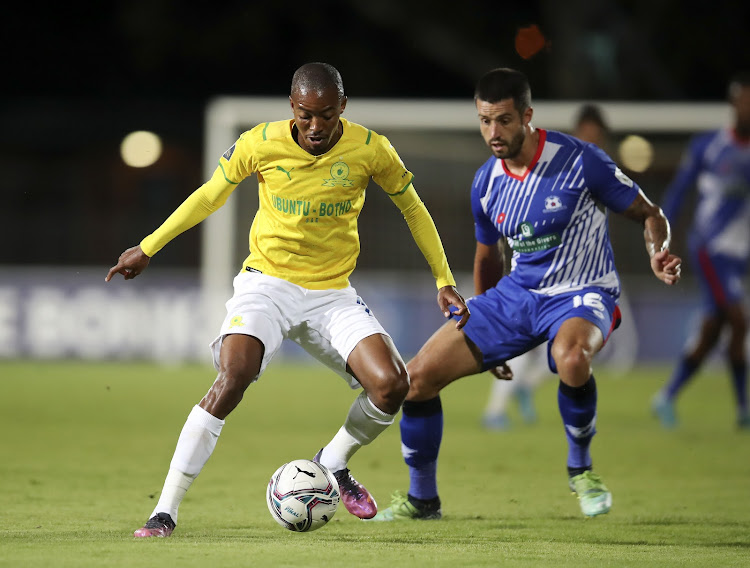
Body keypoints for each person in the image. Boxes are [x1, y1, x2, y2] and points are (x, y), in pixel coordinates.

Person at [105, 62, 469, 537]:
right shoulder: (259, 142)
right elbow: (210, 195)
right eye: (304, 114)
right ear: (291, 108)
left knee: (392, 386)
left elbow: (413, 209)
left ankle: (332, 463)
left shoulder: (371, 149)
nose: (314, 126)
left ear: (343, 106)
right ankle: (165, 510)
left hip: (332, 293)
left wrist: (443, 278)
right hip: (266, 284)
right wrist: (148, 246)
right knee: (234, 375)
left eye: (325, 115)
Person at [370, 67, 681, 521]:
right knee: (414, 381)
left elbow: (649, 214)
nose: (493, 132)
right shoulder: (486, 182)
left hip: (583, 289)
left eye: (504, 121)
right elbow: (488, 258)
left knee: (571, 359)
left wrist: (659, 252)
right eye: (484, 121)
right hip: (518, 296)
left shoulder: (581, 160)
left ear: (527, 115)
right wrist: (483, 330)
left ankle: (582, 471)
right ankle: (423, 500)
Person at [480, 102, 638, 431]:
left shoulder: (597, 169)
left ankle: (526, 391)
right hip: (539, 280)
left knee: (571, 352)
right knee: (525, 344)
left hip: (584, 280)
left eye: (598, 138)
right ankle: (496, 408)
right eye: (587, 136)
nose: (592, 143)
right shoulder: (557, 168)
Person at [652, 72, 750, 430]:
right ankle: (743, 409)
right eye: (744, 100)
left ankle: (667, 396)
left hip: (740, 254)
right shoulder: (709, 145)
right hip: (710, 248)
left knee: (713, 329)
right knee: (739, 320)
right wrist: (666, 234)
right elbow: (678, 191)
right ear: (733, 104)